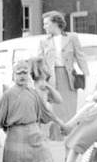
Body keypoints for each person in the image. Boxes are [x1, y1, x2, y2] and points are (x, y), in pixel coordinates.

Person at [38, 10, 89, 147]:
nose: (44, 26)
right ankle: (55, 144)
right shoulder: (44, 41)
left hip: (69, 79)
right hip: (52, 80)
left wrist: (86, 76)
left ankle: (70, 147)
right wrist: (42, 80)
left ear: (55, 23)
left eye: (46, 23)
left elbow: (81, 57)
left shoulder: (72, 37)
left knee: (70, 113)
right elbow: (40, 61)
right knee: (53, 111)